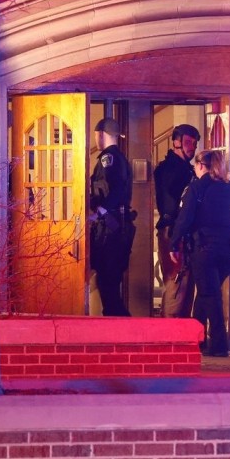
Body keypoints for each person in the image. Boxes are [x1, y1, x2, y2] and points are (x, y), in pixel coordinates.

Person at [169, 149, 230, 357]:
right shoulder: (229, 187)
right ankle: (196, 341)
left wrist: (174, 243)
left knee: (210, 294)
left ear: (200, 166)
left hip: (204, 248)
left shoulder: (196, 188)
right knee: (207, 291)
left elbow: (185, 218)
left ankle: (219, 346)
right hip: (228, 250)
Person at [87, 116, 135, 316]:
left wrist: (100, 210)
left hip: (111, 227)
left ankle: (121, 326)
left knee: (108, 280)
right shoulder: (116, 157)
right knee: (108, 281)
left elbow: (114, 190)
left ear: (101, 135)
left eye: (97, 135)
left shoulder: (109, 159)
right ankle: (117, 324)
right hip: (114, 225)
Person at [153, 123, 201, 317]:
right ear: (176, 142)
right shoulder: (168, 169)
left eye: (195, 143)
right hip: (172, 231)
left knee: (187, 283)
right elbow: (174, 202)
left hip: (183, 232)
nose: (192, 147)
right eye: (188, 142)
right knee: (176, 283)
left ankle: (182, 333)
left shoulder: (187, 169)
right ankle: (169, 335)